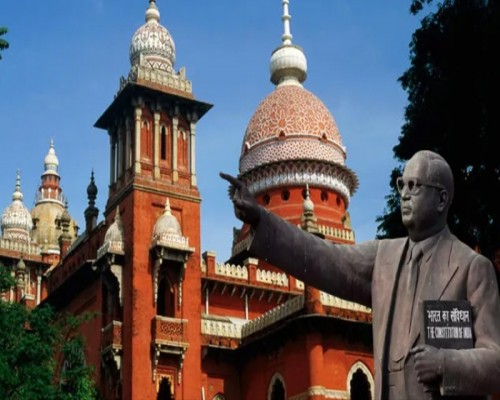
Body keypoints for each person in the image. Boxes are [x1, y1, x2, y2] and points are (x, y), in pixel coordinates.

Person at [221, 150, 500, 400]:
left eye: (414, 186)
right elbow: (322, 256)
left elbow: (495, 362)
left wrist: (444, 364)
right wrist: (261, 219)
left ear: (441, 199)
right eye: (402, 185)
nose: (404, 194)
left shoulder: (471, 268)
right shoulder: (384, 259)